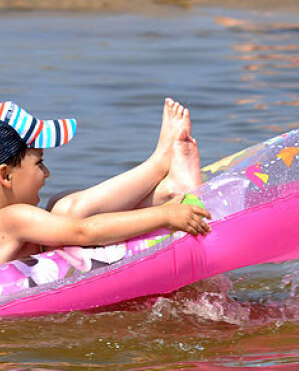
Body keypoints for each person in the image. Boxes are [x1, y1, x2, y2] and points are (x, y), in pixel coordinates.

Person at [0, 99, 212, 265]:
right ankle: (159, 167)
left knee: (59, 204)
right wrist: (165, 216)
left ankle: (166, 188)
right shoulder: (12, 218)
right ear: (5, 176)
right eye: (39, 163)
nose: (46, 173)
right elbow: (83, 231)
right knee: (66, 209)